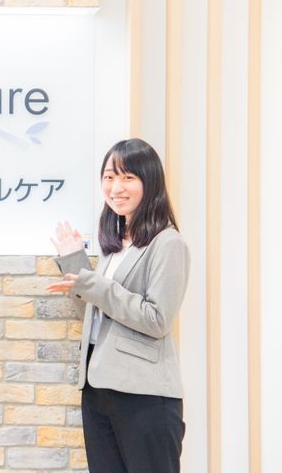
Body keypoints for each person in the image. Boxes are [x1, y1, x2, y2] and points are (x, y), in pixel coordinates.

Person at [46, 138, 189, 473]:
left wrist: (94, 284)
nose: (116, 188)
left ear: (150, 182)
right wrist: (75, 264)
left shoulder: (168, 243)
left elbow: (157, 319)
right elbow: (97, 316)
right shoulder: (114, 247)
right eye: (109, 177)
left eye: (128, 177)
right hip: (99, 391)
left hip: (144, 394)